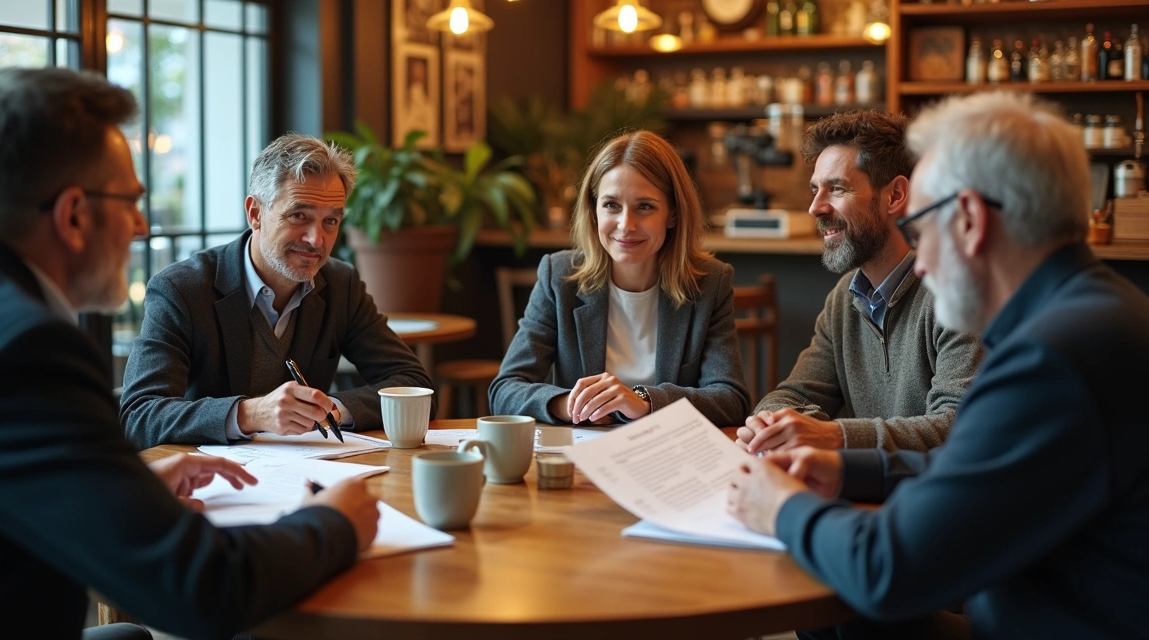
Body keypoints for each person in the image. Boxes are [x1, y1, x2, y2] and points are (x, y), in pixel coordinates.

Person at [0, 67, 380, 639]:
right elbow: (201, 588)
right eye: (131, 201)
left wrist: (119, 494)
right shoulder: (25, 351)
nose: (142, 226)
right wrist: (333, 524)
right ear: (73, 215)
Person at [727, 91, 1149, 639]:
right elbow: (989, 469)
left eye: (923, 231)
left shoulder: (1052, 355)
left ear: (970, 219)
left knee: (850, 605)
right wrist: (850, 467)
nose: (919, 262)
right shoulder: (1091, 313)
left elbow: (888, 570)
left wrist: (780, 507)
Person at [121, 133, 434, 449]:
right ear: (255, 213)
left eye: (330, 221)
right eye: (299, 215)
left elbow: (414, 385)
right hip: (208, 481)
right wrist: (250, 413)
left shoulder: (341, 285)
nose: (316, 239)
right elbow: (139, 415)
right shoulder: (182, 290)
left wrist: (330, 411)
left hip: (308, 475)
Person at [737, 110, 981, 454]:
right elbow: (792, 394)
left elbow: (959, 424)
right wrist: (772, 423)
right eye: (815, 190)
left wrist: (831, 436)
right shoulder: (845, 298)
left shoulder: (956, 293)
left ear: (895, 196)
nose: (815, 208)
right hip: (867, 491)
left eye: (836, 188)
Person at [490, 130, 750, 427]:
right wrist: (572, 405)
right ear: (594, 210)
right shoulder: (560, 277)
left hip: (667, 455)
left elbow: (731, 400)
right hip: (583, 454)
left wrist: (644, 402)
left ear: (673, 215)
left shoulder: (710, 283)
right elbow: (504, 389)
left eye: (645, 206)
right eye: (611, 205)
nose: (626, 225)